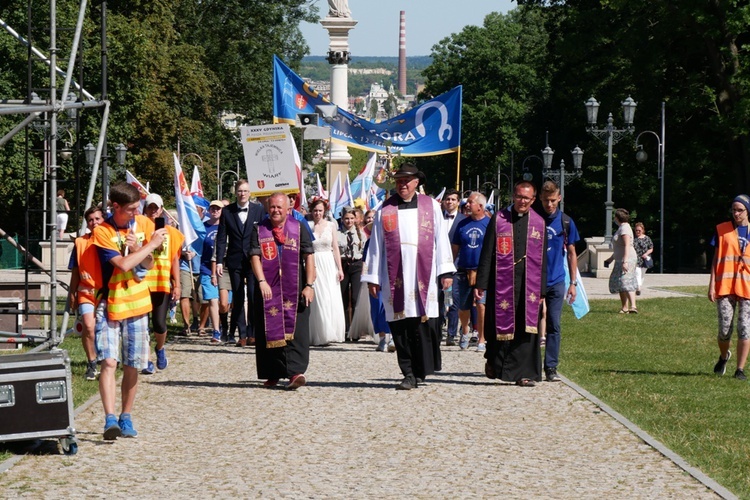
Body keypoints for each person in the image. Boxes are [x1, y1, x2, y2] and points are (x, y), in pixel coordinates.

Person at [363, 163, 455, 390]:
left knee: (421, 325)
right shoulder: (386, 210)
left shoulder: (431, 207)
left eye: (406, 181)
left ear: (417, 182)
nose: (402, 185)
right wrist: (373, 277)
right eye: (399, 181)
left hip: (423, 273)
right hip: (394, 275)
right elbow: (376, 245)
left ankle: (421, 368)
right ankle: (408, 372)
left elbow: (441, 239)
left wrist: (445, 270)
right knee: (400, 325)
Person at [91, 182, 166, 439]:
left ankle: (126, 416)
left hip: (137, 303)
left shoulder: (143, 224)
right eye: (132, 209)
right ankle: (109, 418)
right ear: (116, 207)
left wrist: (140, 249)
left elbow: (147, 263)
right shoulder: (102, 231)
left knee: (133, 364)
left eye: (138, 208)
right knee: (109, 361)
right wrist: (149, 246)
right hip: (110, 303)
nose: (136, 213)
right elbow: (122, 266)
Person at [475, 181, 547, 387]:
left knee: (526, 326)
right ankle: (495, 363)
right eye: (519, 196)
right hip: (500, 281)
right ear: (513, 196)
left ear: (533, 200)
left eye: (527, 198)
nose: (522, 201)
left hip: (528, 282)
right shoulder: (499, 219)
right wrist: (481, 283)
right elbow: (487, 251)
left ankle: (524, 373)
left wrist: (542, 288)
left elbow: (543, 260)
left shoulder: (539, 223)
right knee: (497, 323)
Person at [250, 193, 315, 389]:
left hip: (295, 287)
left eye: (280, 207)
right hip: (268, 288)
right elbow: (254, 256)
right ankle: (273, 372)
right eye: (272, 207)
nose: (276, 211)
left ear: (288, 209)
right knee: (268, 329)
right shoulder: (259, 229)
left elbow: (309, 256)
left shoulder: (299, 227)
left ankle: (295, 373)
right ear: (267, 208)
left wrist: (309, 285)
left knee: (296, 330)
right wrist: (261, 281)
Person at [538, 180, 580, 382]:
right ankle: (531, 364)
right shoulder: (534, 219)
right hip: (534, 280)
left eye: (553, 200)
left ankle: (551, 367)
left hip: (556, 280)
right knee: (531, 323)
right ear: (540, 198)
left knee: (554, 323)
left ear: (559, 198)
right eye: (546, 200)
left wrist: (573, 283)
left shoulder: (565, 222)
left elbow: (572, 253)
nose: (549, 205)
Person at [215, 180, 265, 346]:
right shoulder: (227, 211)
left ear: (250, 193)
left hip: (253, 259)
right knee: (237, 296)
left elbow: (264, 234)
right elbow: (222, 238)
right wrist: (219, 261)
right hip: (234, 259)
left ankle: (252, 333)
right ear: (235, 192)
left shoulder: (258, 210)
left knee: (252, 295)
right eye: (240, 191)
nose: (242, 194)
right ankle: (241, 334)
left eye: (245, 191)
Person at [708, 194, 750, 381]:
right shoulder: (722, 230)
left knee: (745, 328)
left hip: (747, 286)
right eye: (733, 209)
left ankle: (740, 369)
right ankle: (724, 356)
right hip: (725, 285)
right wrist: (711, 285)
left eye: (740, 210)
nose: (736, 213)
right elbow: (716, 259)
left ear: (747, 211)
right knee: (725, 329)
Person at [142, 194, 184, 373]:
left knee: (159, 323)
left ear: (161, 209)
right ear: (145, 209)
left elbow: (174, 259)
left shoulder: (171, 232)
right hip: (142, 282)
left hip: (161, 282)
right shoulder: (139, 228)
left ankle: (159, 348)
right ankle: (146, 359)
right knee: (143, 325)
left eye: (156, 207)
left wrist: (177, 284)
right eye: (150, 207)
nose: (153, 211)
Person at [67, 206, 105, 381]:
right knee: (88, 326)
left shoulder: (110, 240)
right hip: (86, 291)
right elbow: (75, 270)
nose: (94, 222)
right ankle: (91, 363)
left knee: (105, 329)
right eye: (91, 220)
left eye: (97, 218)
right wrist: (72, 293)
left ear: (103, 219)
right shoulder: (80, 242)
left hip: (106, 292)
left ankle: (109, 359)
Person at [451, 192, 490, 352]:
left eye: (471, 202)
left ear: (480, 206)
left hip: (482, 271)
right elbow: (455, 248)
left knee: (481, 305)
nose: (467, 205)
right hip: (463, 270)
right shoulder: (461, 224)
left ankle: (482, 338)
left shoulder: (489, 224)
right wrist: (449, 268)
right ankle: (465, 330)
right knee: (463, 306)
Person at [307, 199, 346, 345]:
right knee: (317, 297)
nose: (317, 213)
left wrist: (340, 268)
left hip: (328, 263)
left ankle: (329, 331)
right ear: (311, 211)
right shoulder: (308, 226)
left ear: (324, 212)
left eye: (320, 211)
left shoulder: (331, 226)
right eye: (315, 210)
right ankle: (318, 332)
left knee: (329, 297)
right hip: (314, 262)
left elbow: (335, 247)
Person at [440, 188, 466, 347]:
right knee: (439, 299)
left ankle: (451, 334)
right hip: (437, 265)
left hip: (456, 266)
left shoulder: (463, 220)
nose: (449, 202)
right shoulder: (436, 218)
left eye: (453, 199)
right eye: (447, 199)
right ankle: (437, 330)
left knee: (454, 300)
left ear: (458, 202)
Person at [603, 208, 638, 313]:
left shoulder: (625, 229)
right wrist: (610, 259)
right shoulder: (621, 228)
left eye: (615, 217)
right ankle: (624, 307)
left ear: (617, 218)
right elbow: (620, 248)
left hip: (628, 259)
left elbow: (627, 245)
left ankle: (633, 307)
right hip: (620, 259)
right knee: (620, 283)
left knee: (626, 281)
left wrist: (625, 261)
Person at [338, 207, 366, 338]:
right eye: (346, 218)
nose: (349, 221)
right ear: (342, 219)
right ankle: (345, 328)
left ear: (355, 219)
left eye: (351, 218)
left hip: (357, 265)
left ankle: (355, 330)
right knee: (343, 297)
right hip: (344, 265)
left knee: (355, 297)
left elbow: (365, 251)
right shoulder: (338, 233)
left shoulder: (361, 233)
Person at [199, 201, 224, 343]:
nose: (215, 210)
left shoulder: (226, 226)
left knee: (224, 303)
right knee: (213, 300)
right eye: (212, 208)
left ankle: (223, 326)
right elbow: (196, 244)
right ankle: (216, 331)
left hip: (224, 269)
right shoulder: (203, 227)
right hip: (207, 268)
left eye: (218, 208)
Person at [634, 222, 654, 295]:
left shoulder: (647, 238)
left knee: (642, 274)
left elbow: (651, 248)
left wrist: (646, 254)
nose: (638, 232)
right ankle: (638, 288)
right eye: (636, 230)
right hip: (637, 259)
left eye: (639, 230)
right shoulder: (634, 239)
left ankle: (639, 286)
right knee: (637, 273)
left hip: (645, 259)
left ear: (643, 230)